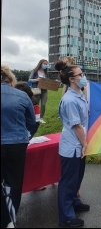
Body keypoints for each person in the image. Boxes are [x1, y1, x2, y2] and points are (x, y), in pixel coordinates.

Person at [54, 60, 90, 227]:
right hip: (73, 146)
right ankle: (66, 217)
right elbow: (77, 126)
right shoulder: (69, 100)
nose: (83, 77)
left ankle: (74, 202)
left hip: (79, 145)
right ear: (71, 79)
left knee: (77, 178)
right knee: (68, 182)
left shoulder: (79, 94)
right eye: (80, 75)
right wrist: (84, 144)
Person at [1, 64, 37, 228]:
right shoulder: (22, 96)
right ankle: (11, 217)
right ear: (10, 78)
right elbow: (31, 122)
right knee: (14, 181)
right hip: (18, 143)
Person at [28, 59, 49, 123]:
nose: (45, 65)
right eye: (44, 64)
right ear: (40, 63)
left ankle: (41, 118)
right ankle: (35, 117)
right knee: (36, 104)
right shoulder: (34, 71)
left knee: (43, 104)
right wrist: (36, 80)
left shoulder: (46, 72)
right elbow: (29, 79)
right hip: (37, 89)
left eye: (46, 64)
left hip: (44, 90)